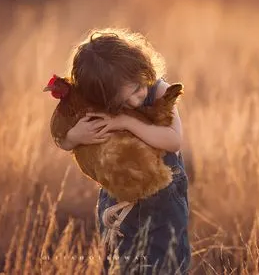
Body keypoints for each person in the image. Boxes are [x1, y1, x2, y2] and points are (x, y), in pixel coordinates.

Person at [56, 29, 191, 274]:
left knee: (164, 261)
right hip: (117, 197)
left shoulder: (158, 90)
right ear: (104, 96)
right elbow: (61, 138)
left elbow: (173, 141)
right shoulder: (94, 99)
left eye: (140, 85)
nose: (140, 93)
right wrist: (74, 137)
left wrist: (127, 122)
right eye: (128, 95)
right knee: (118, 262)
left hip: (162, 196)